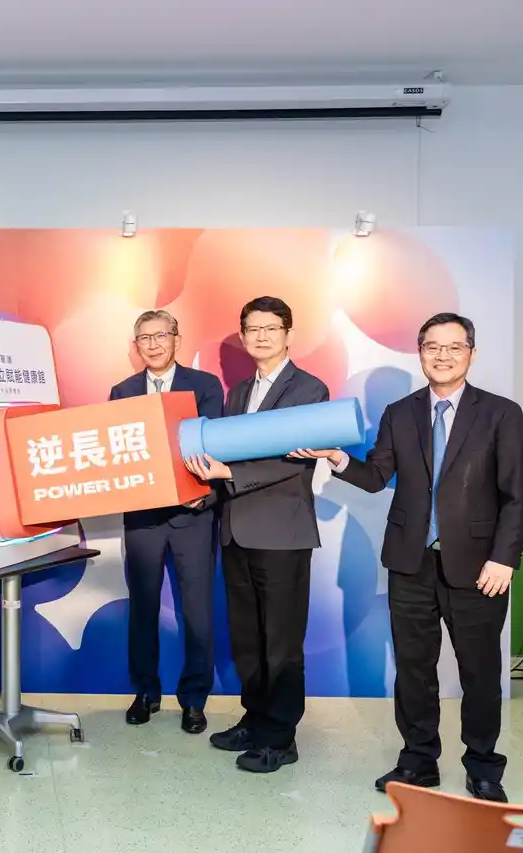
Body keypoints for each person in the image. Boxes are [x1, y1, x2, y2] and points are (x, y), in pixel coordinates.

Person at [291, 313, 523, 802]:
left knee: (480, 673)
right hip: (411, 562)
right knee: (414, 670)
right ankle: (419, 761)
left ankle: (483, 766)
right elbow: (376, 476)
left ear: (471, 353)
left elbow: (516, 494)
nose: (442, 355)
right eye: (432, 346)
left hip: (480, 568)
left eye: (454, 346)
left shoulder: (501, 414)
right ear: (420, 352)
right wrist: (334, 457)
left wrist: (504, 558)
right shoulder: (400, 413)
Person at [183, 296, 328, 774]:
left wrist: (229, 474)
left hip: (283, 533)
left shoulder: (309, 389)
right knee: (247, 638)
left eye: (271, 328)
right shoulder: (238, 392)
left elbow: (293, 460)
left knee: (281, 642)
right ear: (243, 336)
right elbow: (224, 457)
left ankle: (281, 738)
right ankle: (255, 718)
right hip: (236, 530)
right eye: (252, 329)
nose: (261, 336)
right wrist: (204, 494)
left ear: (289, 334)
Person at [109, 309, 223, 732]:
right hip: (143, 518)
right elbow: (118, 454)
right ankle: (146, 692)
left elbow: (212, 445)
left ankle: (194, 700)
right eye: (144, 338)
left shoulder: (205, 386)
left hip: (193, 514)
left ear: (177, 338)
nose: (153, 344)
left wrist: (200, 494)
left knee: (197, 613)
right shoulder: (122, 392)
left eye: (161, 335)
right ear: (135, 346)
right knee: (142, 609)